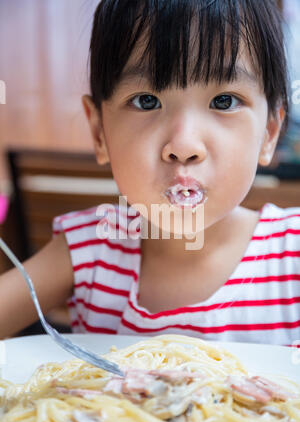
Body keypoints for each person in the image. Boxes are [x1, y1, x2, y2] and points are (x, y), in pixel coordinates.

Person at [0, 0, 299, 346]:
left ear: (269, 133)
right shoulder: (88, 250)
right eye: (146, 101)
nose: (184, 145)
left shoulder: (292, 256)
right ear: (99, 132)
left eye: (224, 101)